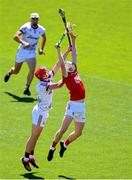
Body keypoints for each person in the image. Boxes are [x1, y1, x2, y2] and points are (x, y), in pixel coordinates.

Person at [21, 47, 71, 171]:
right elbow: (59, 85)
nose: (48, 73)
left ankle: (31, 156)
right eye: (45, 73)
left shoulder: (47, 78)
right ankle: (25, 158)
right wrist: (66, 76)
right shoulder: (43, 85)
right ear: (42, 77)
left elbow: (58, 64)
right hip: (40, 113)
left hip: (43, 113)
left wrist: (67, 50)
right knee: (33, 136)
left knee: (36, 137)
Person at [47, 31, 86, 161]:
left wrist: (73, 40)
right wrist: (59, 51)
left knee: (79, 132)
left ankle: (65, 144)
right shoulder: (67, 77)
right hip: (73, 105)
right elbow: (62, 64)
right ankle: (53, 147)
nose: (72, 64)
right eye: (69, 65)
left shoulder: (75, 70)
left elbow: (74, 54)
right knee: (62, 130)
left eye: (72, 64)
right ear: (68, 69)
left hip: (81, 106)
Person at [4, 12, 46, 96]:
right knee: (16, 71)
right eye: (33, 18)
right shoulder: (26, 27)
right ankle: (10, 72)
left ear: (38, 20)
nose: (34, 20)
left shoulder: (41, 29)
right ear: (30, 19)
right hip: (22, 51)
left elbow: (44, 38)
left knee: (32, 69)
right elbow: (15, 37)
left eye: (36, 19)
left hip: (31, 52)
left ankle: (27, 88)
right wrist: (23, 42)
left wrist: (41, 49)